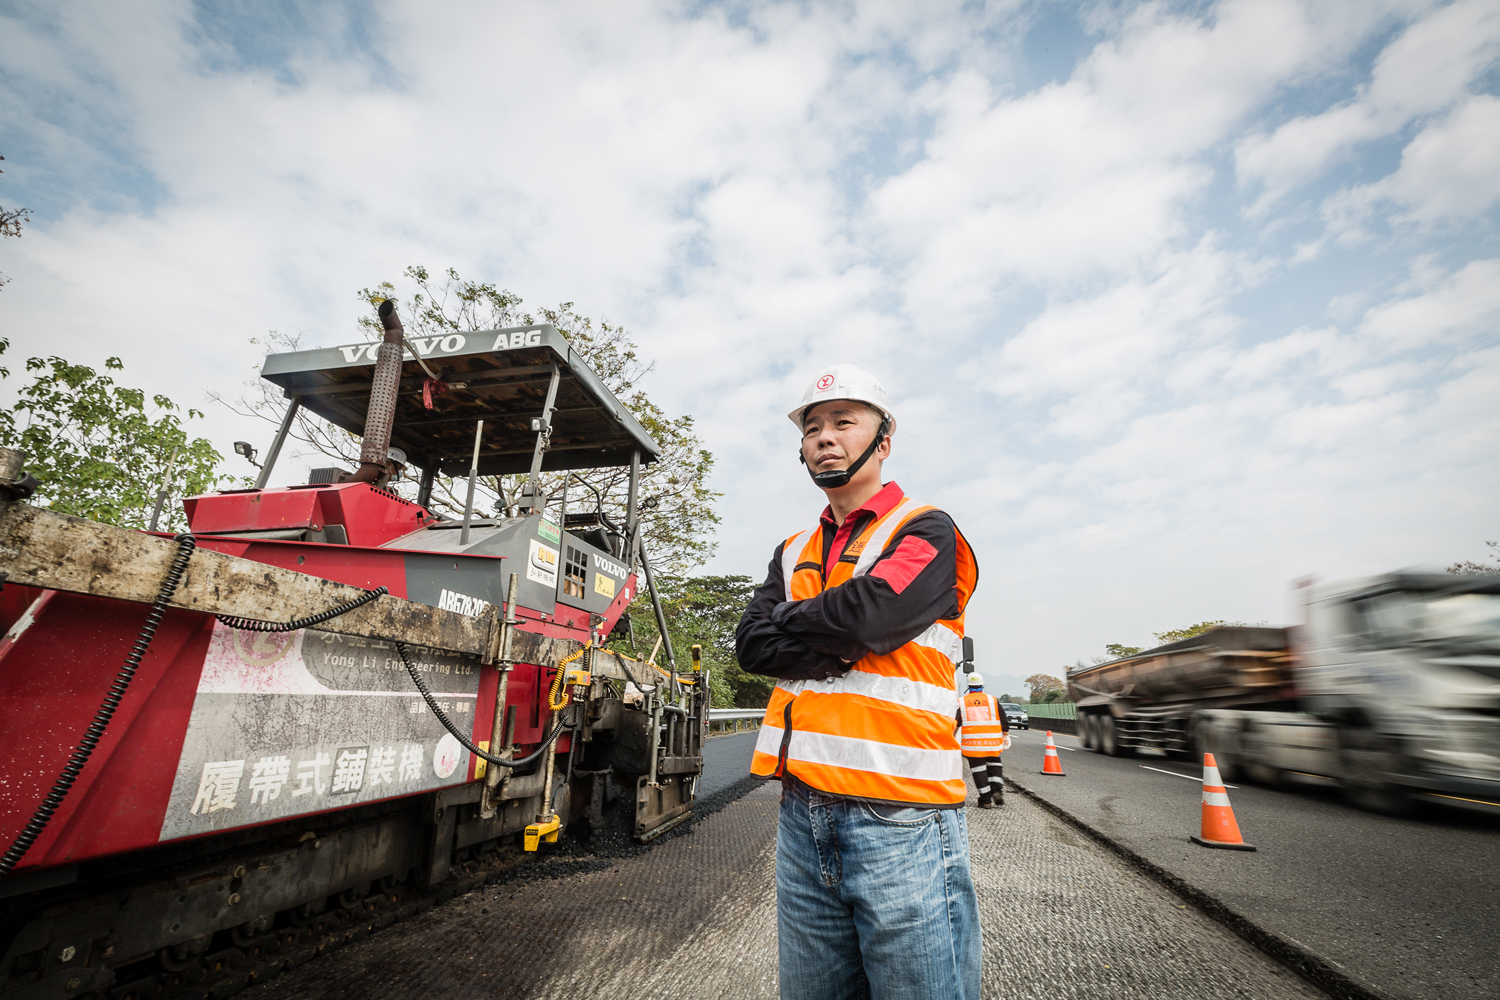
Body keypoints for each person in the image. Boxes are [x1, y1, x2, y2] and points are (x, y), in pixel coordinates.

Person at [735, 364, 981, 1000]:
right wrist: (831, 641)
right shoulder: (792, 549)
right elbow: (752, 646)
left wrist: (798, 623)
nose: (825, 437)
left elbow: (872, 616)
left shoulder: (925, 529)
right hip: (801, 810)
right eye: (813, 426)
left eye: (844, 422)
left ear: (883, 439)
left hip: (899, 813)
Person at [958, 672, 1009, 808]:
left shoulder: (962, 702)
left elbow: (955, 723)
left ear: (968, 686)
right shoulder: (992, 700)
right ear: (982, 685)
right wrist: (1006, 734)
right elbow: (1003, 719)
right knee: (995, 767)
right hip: (992, 744)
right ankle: (997, 790)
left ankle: (985, 800)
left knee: (979, 771)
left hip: (973, 746)